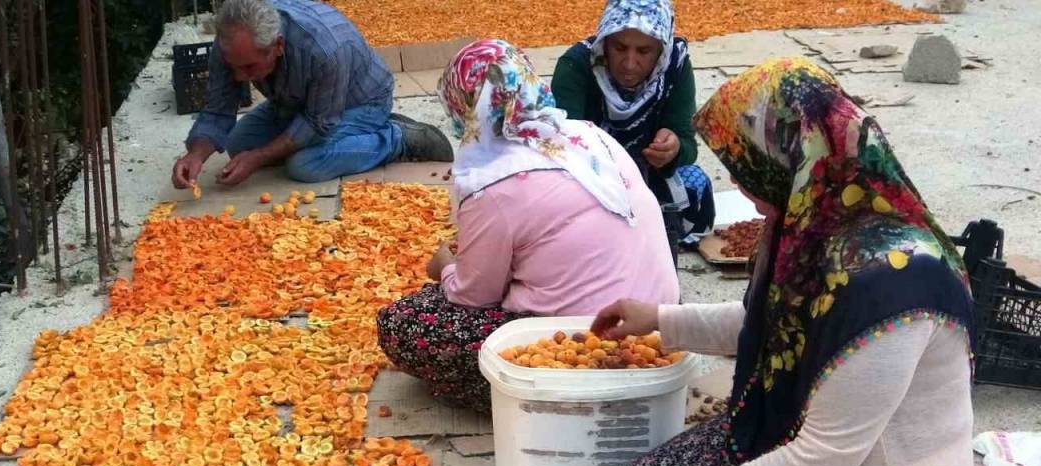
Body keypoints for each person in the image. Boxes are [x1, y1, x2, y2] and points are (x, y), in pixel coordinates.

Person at [582, 58, 976, 466]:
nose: (741, 190)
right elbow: (768, 326)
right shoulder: (813, 222)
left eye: (745, 169)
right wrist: (658, 321)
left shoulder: (894, 282)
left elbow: (825, 456)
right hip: (788, 432)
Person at [376, 39, 679, 413]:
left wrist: (446, 267)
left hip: (585, 351)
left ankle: (542, 406)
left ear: (463, 109)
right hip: (660, 330)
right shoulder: (589, 136)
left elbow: (474, 296)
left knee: (403, 323)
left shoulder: (492, 184)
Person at [170, 0, 452, 189]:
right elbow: (218, 108)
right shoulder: (231, 46)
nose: (240, 77)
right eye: (234, 67)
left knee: (304, 165)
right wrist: (195, 155)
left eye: (249, 68)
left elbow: (317, 122)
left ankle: (397, 138)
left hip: (360, 100)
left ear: (278, 46)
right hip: (297, 101)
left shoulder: (323, 50)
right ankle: (358, 136)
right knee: (237, 143)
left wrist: (259, 157)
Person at [552, 0, 714, 262]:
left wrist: (672, 149)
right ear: (604, 42)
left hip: (648, 175)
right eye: (619, 47)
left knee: (695, 184)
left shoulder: (675, 67)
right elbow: (560, 147)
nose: (629, 63)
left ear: (661, 50)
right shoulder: (577, 66)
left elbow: (687, 145)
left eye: (643, 51)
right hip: (590, 179)